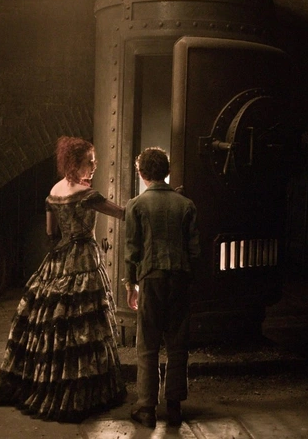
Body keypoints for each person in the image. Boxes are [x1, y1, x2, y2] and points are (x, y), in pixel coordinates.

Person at [0, 135, 127, 423]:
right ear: (75, 163)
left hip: (59, 258)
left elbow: (51, 233)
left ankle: (47, 381)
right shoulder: (88, 195)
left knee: (54, 322)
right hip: (85, 257)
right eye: (90, 161)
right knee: (86, 325)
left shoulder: (53, 191)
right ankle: (84, 392)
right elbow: (122, 213)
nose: (95, 165)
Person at [124, 147, 200, 428]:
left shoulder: (136, 205)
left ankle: (146, 408)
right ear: (167, 171)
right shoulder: (186, 205)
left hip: (151, 278)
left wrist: (130, 285)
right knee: (178, 343)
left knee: (148, 343)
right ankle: (175, 406)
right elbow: (195, 250)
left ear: (142, 173)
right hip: (179, 278)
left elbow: (132, 251)